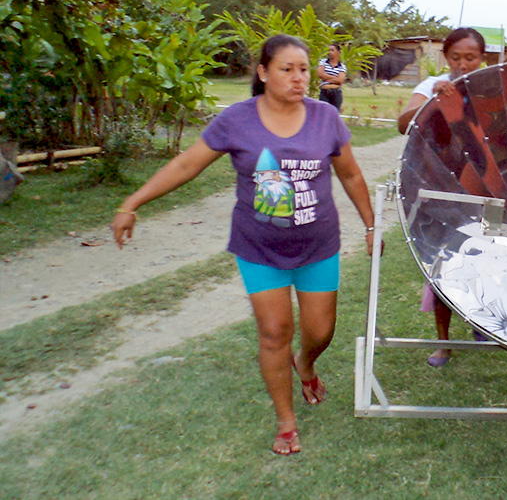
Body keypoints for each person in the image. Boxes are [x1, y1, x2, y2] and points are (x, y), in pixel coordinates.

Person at [111, 34, 376, 456]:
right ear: (263, 73)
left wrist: (370, 225)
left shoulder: (326, 117)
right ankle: (286, 421)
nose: (298, 77)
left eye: (304, 69)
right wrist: (132, 202)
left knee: (320, 332)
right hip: (259, 249)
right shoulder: (237, 120)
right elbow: (186, 164)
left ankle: (305, 363)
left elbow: (350, 175)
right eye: (287, 69)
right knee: (274, 333)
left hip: (318, 245)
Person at [397, 27, 507, 367]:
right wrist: (434, 101)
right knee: (441, 262)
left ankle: (481, 322)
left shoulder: (492, 86)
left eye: (470, 57)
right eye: (455, 57)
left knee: (485, 258)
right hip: (440, 187)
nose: (463, 63)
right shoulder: (432, 85)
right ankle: (443, 342)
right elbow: (403, 124)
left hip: (486, 187)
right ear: (447, 58)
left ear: (482, 58)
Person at [317, 42, 346, 111]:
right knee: (323, 114)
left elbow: (340, 80)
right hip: (324, 92)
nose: (330, 52)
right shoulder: (323, 62)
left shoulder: (342, 66)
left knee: (335, 114)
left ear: (338, 52)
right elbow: (320, 74)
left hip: (336, 93)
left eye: (332, 50)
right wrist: (335, 78)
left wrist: (327, 78)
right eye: (329, 50)